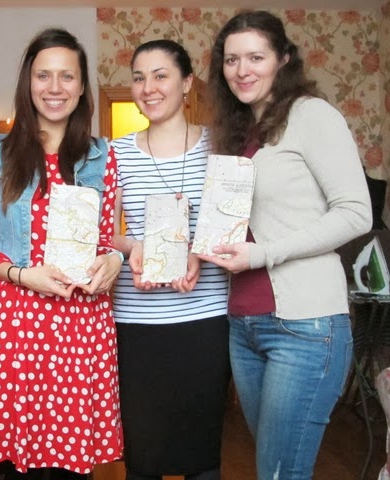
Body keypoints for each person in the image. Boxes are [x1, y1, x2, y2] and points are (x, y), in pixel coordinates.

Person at [199, 10, 373, 480]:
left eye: (255, 57)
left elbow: (356, 212)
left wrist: (263, 254)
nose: (242, 70)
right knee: (273, 466)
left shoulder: (311, 115)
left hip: (305, 325)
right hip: (244, 324)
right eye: (231, 60)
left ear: (284, 59)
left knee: (280, 472)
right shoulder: (239, 132)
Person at [0, 27, 123, 479]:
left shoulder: (101, 157)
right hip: (17, 325)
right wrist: (21, 274)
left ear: (82, 87)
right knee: (19, 465)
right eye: (43, 75)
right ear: (28, 83)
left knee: (72, 465)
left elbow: (106, 240)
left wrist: (113, 260)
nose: (55, 87)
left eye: (67, 76)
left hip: (82, 325)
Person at [110, 40, 230, 480]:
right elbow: (104, 232)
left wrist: (199, 253)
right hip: (135, 322)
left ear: (186, 83)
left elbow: (230, 228)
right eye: (139, 78)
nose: (149, 88)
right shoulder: (115, 153)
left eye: (161, 75)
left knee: (202, 457)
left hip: (206, 318)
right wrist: (133, 248)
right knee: (143, 459)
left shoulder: (219, 146)